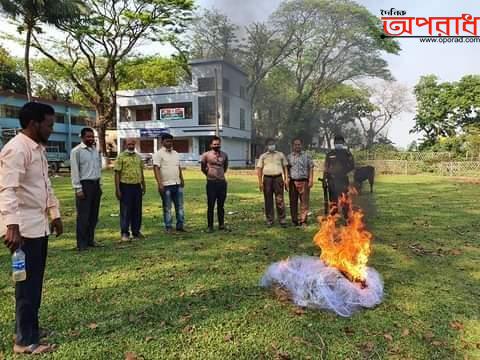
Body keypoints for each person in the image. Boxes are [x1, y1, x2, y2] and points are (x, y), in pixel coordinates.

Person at [0, 102, 63, 354]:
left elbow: (45, 185)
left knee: (33, 283)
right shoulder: (16, 149)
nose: (52, 129)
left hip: (38, 226)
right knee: (25, 285)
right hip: (23, 231)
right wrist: (11, 226)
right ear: (33, 123)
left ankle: (28, 328)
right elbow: (7, 189)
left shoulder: (37, 149)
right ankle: (25, 341)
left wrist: (55, 213)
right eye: (49, 125)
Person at [70, 127, 102, 251]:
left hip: (95, 184)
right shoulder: (76, 151)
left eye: (92, 136)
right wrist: (78, 188)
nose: (91, 139)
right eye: (88, 137)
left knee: (94, 215)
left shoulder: (95, 150)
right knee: (83, 216)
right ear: (82, 137)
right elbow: (75, 171)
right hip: (84, 185)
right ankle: (81, 243)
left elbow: (98, 169)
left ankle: (90, 240)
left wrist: (100, 185)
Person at [153, 134, 185, 233]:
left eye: (171, 141)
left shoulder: (175, 153)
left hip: (177, 183)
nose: (169, 143)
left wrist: (182, 178)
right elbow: (156, 169)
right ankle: (168, 227)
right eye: (167, 141)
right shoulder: (158, 154)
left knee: (179, 206)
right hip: (166, 185)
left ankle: (180, 226)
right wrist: (160, 183)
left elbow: (178, 167)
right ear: (162, 142)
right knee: (167, 207)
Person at [114, 139, 146, 242]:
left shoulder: (138, 157)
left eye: (132, 144)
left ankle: (136, 231)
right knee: (126, 211)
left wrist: (143, 184)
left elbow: (141, 171)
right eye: (129, 144)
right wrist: (118, 189)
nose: (131, 146)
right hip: (125, 187)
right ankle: (124, 233)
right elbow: (117, 173)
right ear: (126, 145)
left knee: (137, 210)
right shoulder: (121, 157)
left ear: (135, 144)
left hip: (137, 186)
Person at [256, 138, 289, 227]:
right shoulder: (263, 156)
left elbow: (285, 167)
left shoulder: (280, 155)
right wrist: (260, 182)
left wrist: (286, 179)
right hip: (267, 179)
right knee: (268, 200)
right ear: (267, 146)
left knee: (280, 199)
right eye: (270, 144)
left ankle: (282, 219)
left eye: (273, 143)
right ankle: (270, 220)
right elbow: (259, 169)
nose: (272, 145)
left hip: (278, 178)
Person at [200, 136, 229, 233]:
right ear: (211, 145)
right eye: (215, 144)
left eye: (218, 144)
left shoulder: (224, 155)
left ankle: (221, 225)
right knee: (211, 205)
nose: (216, 146)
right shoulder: (206, 155)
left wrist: (219, 175)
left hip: (222, 183)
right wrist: (209, 174)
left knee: (221, 205)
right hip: (211, 183)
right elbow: (203, 168)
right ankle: (210, 226)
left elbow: (225, 168)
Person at [324, 135, 355, 216]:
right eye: (337, 142)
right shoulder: (330, 154)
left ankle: (347, 218)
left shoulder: (347, 153)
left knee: (345, 199)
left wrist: (343, 171)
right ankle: (334, 218)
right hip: (332, 181)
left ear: (343, 143)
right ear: (334, 143)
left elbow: (352, 165)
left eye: (340, 142)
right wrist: (325, 179)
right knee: (333, 200)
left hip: (343, 180)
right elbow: (326, 167)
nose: (338, 144)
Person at [287, 138, 314, 227]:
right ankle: (294, 221)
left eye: (299, 144)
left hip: (304, 182)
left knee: (304, 202)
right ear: (293, 146)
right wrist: (287, 180)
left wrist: (311, 179)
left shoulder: (307, 156)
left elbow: (311, 167)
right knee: (293, 201)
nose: (297, 146)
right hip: (293, 182)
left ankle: (303, 221)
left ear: (301, 145)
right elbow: (287, 169)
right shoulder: (289, 157)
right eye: (295, 144)